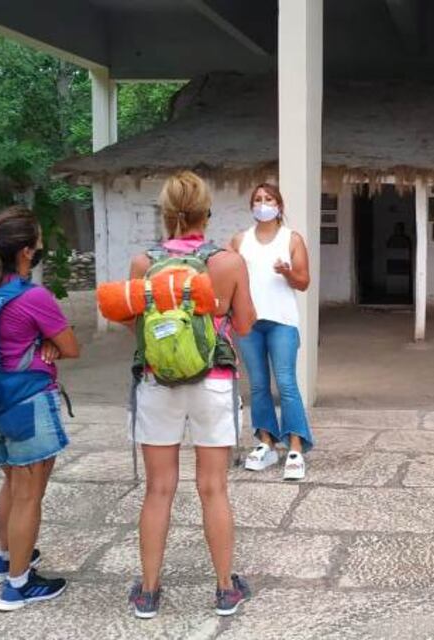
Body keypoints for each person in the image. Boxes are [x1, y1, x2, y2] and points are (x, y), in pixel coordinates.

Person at [127, 171, 256, 619]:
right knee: (213, 487)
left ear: (164, 214)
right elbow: (245, 324)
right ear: (207, 212)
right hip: (213, 381)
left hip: (157, 382)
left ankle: (147, 592)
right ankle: (224, 589)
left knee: (159, 489)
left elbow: (135, 325)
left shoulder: (144, 262)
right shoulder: (228, 262)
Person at [0, 206, 80, 611]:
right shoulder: (33, 296)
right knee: (29, 494)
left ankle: (4, 558)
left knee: (12, 484)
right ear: (26, 252)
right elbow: (70, 347)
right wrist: (45, 347)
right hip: (26, 402)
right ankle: (18, 585)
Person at [230, 183, 314, 480]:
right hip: (248, 322)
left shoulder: (291, 239)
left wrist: (287, 272)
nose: (263, 204)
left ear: (279, 204)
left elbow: (304, 282)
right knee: (258, 386)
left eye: (268, 199)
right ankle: (266, 442)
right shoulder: (240, 240)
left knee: (287, 384)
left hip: (282, 321)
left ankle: (295, 446)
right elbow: (227, 278)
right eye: (257, 199)